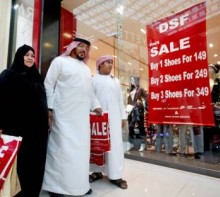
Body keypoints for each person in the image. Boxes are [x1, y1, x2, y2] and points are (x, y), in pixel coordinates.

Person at [42, 38, 102, 197]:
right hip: (63, 115)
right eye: (81, 46)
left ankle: (79, 185)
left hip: (81, 118)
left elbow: (90, 92)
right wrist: (49, 108)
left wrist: (96, 105)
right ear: (72, 47)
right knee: (61, 150)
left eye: (87, 48)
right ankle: (55, 187)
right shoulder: (59, 62)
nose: (84, 50)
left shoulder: (85, 68)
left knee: (80, 153)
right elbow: (48, 84)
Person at [0, 45, 49, 197]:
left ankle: (32, 192)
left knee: (35, 164)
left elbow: (43, 101)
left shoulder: (36, 77)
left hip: (37, 133)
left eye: (32, 55)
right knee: (19, 164)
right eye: (26, 55)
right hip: (16, 130)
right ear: (19, 56)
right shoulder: (8, 75)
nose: (30, 58)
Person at [89, 55, 128, 189]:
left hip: (114, 119)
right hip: (98, 118)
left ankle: (115, 175)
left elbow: (120, 100)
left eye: (112, 63)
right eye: (108, 62)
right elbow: (90, 96)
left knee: (115, 146)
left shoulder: (115, 81)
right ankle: (97, 171)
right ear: (100, 64)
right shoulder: (93, 80)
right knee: (98, 145)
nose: (111, 65)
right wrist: (95, 107)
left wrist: (123, 117)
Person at [126, 76, 147, 151]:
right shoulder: (131, 90)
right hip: (131, 110)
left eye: (133, 80)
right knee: (130, 127)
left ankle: (142, 144)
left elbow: (146, 97)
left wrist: (142, 102)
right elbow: (129, 101)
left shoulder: (140, 89)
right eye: (131, 80)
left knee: (141, 127)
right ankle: (130, 143)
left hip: (138, 110)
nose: (132, 81)